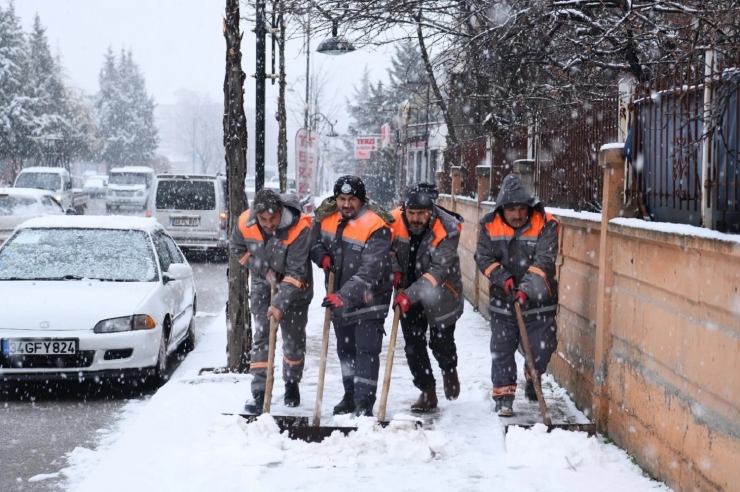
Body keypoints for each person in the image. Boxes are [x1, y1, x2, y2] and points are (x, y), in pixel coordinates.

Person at [474, 173, 559, 417]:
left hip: (540, 300)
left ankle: (533, 376)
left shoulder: (546, 223)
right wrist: (504, 280)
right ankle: (504, 397)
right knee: (502, 348)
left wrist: (526, 290)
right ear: (502, 208)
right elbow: (483, 258)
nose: (517, 215)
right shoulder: (489, 224)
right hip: (503, 298)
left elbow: (544, 261)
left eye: (522, 209)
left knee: (540, 349)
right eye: (511, 209)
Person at [311, 175, 393, 417]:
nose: (346, 205)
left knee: (366, 351)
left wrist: (344, 296)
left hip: (371, 298)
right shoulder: (326, 218)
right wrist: (321, 256)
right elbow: (314, 242)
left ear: (362, 200)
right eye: (342, 199)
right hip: (340, 298)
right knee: (346, 352)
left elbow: (371, 270)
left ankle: (364, 403)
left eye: (352, 200)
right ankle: (350, 395)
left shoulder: (376, 225)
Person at [230, 189, 313, 414]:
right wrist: (263, 269)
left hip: (295, 290)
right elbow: (238, 250)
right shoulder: (244, 223)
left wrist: (279, 304)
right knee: (262, 338)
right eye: (263, 219)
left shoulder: (299, 228)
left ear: (280, 212)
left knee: (292, 342)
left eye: (272, 219)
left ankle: (291, 383)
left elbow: (297, 272)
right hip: (262, 287)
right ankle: (259, 392)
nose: (268, 224)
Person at [389, 183, 464, 412]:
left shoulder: (448, 228)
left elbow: (438, 271)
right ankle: (427, 391)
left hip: (441, 292)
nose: (415, 218)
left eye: (421, 213)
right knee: (413, 345)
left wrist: (409, 295)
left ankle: (449, 368)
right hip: (406, 290)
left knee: (441, 342)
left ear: (431, 210)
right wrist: (395, 269)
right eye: (411, 213)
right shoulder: (393, 220)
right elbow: (388, 249)